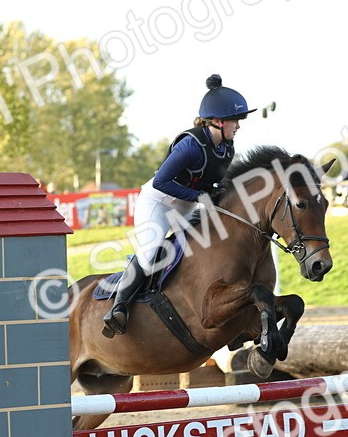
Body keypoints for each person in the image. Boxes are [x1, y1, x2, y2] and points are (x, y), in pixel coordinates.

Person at [102, 74, 255, 338]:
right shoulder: (190, 146)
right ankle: (118, 308)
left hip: (185, 205)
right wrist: (198, 196)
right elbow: (162, 181)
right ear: (218, 122)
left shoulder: (226, 148)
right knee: (151, 253)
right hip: (158, 203)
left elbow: (211, 185)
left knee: (212, 241)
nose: (238, 126)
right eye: (235, 121)